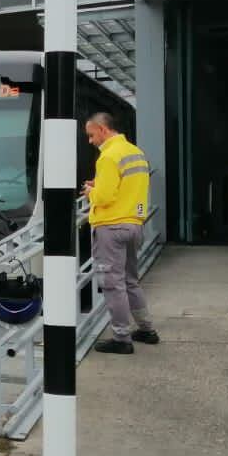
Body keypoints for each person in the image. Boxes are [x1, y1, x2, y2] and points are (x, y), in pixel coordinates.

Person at [82, 111, 159, 355]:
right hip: (134, 224)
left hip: (111, 227)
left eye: (91, 135)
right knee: (130, 280)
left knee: (112, 284)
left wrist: (90, 192)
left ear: (103, 130)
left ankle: (121, 338)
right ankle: (146, 329)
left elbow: (104, 197)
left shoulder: (108, 157)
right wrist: (101, 185)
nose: (91, 140)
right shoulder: (135, 152)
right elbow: (126, 185)